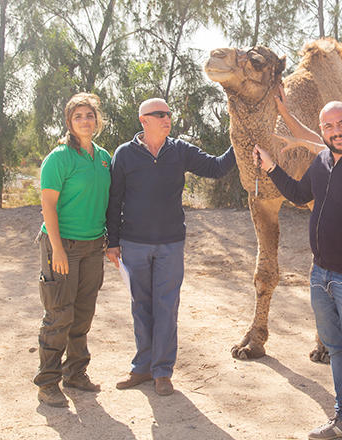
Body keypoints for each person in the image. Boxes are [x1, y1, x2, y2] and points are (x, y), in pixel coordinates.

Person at [253, 101, 342, 440]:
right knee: (336, 350)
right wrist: (271, 166)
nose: (336, 131)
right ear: (321, 130)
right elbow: (298, 193)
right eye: (329, 126)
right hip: (320, 276)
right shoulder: (321, 162)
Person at [106, 98, 236, 396]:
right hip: (134, 243)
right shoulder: (124, 154)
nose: (167, 119)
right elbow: (114, 200)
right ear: (144, 120)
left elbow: (216, 168)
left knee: (166, 307)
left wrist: (238, 140)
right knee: (141, 307)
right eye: (160, 114)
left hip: (171, 244)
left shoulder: (180, 150)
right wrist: (112, 242)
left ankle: (162, 372)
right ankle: (142, 368)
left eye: (168, 114)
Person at [34, 93, 111, 407]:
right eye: (78, 116)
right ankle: (47, 383)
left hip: (94, 246)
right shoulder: (59, 158)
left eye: (89, 115)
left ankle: (75, 372)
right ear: (69, 122)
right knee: (59, 315)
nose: (85, 121)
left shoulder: (103, 157)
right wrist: (57, 249)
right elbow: (48, 205)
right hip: (62, 244)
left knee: (83, 313)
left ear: (97, 120)